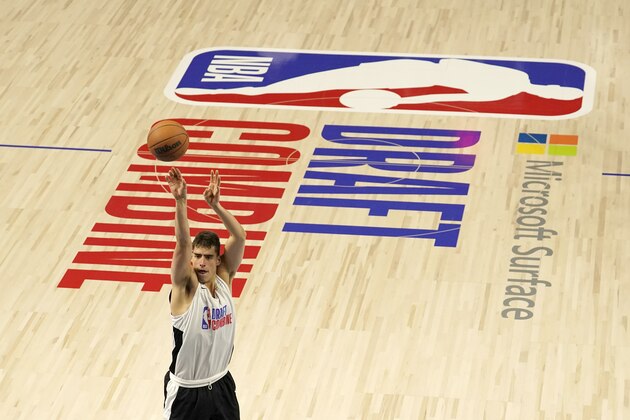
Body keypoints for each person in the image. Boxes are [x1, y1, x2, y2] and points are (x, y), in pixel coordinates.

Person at [163, 167, 246, 420]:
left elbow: (240, 236)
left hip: (221, 384)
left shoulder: (224, 279)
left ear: (218, 261)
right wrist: (181, 201)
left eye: (207, 257)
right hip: (187, 394)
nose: (200, 262)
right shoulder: (185, 289)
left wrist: (216, 206)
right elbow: (183, 244)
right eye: (197, 256)